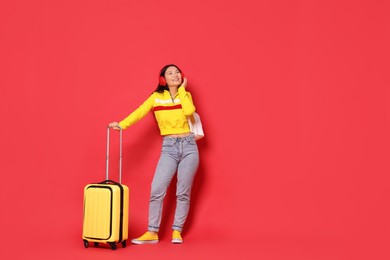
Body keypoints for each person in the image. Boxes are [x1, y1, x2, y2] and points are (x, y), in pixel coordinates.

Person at [108, 64, 200, 244]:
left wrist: (182, 90)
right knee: (157, 188)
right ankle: (152, 232)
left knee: (183, 193)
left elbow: (189, 111)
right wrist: (122, 125)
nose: (175, 75)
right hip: (169, 147)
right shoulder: (156, 98)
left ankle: (176, 231)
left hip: (189, 146)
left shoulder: (185, 95)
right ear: (163, 79)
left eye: (177, 72)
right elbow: (140, 112)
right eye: (170, 73)